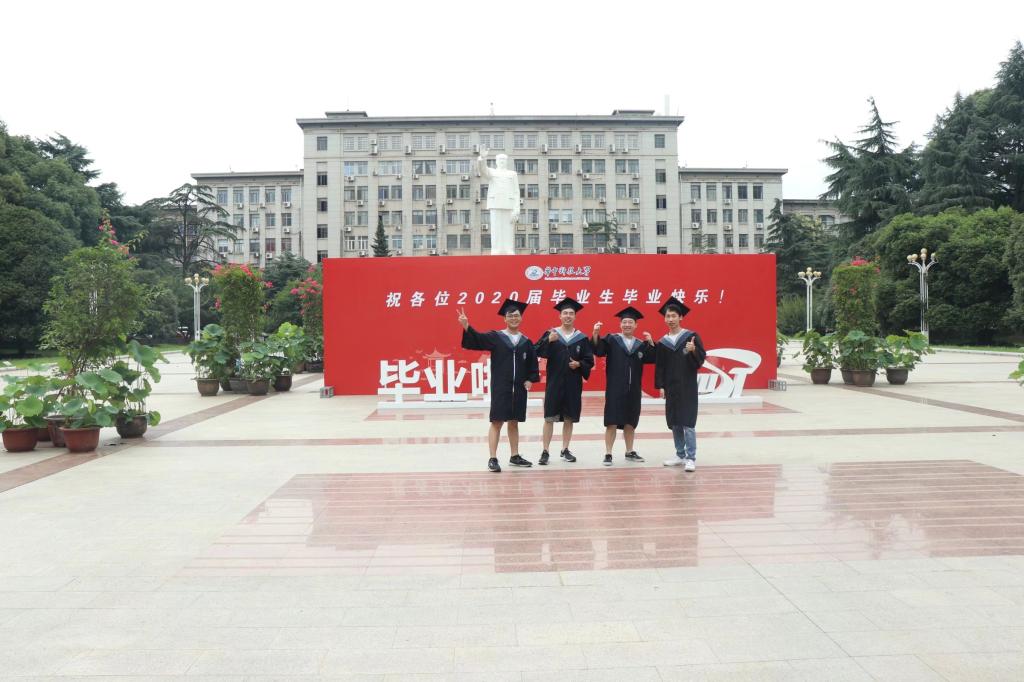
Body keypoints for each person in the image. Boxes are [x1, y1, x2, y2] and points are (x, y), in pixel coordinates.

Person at [459, 299, 540, 472]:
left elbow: (532, 364)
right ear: (505, 319)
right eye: (510, 316)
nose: (513, 318)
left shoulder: (526, 342)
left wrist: (530, 379)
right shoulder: (496, 337)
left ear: (521, 318)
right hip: (501, 388)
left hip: (519, 389)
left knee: (514, 422)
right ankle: (493, 458)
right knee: (497, 422)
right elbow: (478, 339)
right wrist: (466, 326)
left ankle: (514, 456)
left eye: (516, 316)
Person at [592, 306, 656, 466]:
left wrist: (651, 343)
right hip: (615, 389)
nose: (627, 325)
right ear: (620, 324)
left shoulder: (640, 344)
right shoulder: (612, 339)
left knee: (630, 422)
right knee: (612, 421)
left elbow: (652, 358)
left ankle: (629, 451)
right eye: (625, 322)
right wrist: (595, 334)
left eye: (630, 322)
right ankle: (608, 453)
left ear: (636, 325)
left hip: (633, 389)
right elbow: (598, 350)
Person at [534, 297, 594, 465]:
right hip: (554, 383)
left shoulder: (581, 338)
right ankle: (545, 451)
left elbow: (589, 360)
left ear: (575, 316)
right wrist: (548, 341)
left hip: (573, 384)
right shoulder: (551, 334)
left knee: (569, 417)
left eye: (571, 313)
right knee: (549, 418)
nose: (568, 316)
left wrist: (579, 364)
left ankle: (565, 449)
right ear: (560, 316)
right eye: (565, 313)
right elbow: (535, 350)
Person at [653, 297, 707, 472]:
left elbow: (700, 360)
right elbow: (660, 366)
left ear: (681, 317)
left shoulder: (691, 337)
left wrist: (693, 351)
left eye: (673, 316)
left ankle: (691, 457)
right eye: (668, 316)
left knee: (688, 422)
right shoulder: (663, 342)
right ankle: (680, 454)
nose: (670, 319)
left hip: (687, 385)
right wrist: (661, 386)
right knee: (675, 421)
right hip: (671, 387)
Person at [475, 147, 519, 255]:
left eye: (504, 160)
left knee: (508, 228)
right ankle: (496, 249)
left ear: (507, 161)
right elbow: (483, 170)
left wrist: (516, 209)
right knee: (496, 228)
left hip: (509, 204)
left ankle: (509, 249)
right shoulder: (492, 172)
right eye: (500, 160)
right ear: (496, 162)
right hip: (495, 203)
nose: (502, 161)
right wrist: (482, 158)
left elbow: (516, 192)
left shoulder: (512, 174)